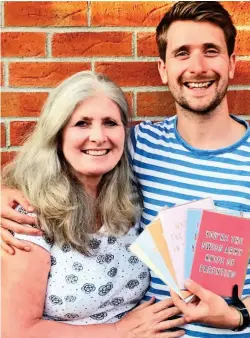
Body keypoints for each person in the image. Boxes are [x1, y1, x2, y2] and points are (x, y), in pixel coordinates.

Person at [1, 0, 250, 336]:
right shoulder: (137, 145)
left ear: (233, 63)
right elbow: (69, 160)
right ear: (163, 69)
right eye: (182, 53)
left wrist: (237, 316)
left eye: (210, 51)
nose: (197, 66)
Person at [1, 71, 186, 338]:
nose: (98, 137)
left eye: (110, 123)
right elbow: (14, 331)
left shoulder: (130, 200)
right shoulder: (30, 216)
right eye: (82, 124)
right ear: (58, 134)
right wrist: (118, 331)